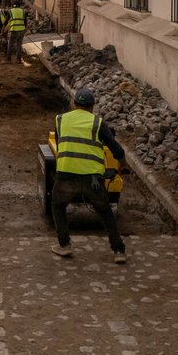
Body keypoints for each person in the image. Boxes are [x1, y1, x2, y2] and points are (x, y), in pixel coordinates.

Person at [51, 88, 127, 265]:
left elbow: (61, 141)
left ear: (74, 103)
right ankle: (118, 251)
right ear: (92, 107)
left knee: (58, 205)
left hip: (66, 173)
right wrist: (122, 164)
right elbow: (116, 149)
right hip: (92, 177)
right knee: (105, 211)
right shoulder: (97, 123)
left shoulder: (61, 119)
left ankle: (64, 245)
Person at [4, 0, 27, 64]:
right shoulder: (23, 11)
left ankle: (8, 60)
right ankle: (18, 59)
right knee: (19, 45)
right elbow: (25, 21)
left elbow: (6, 21)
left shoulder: (10, 11)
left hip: (14, 30)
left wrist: (3, 28)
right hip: (22, 30)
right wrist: (25, 28)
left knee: (10, 45)